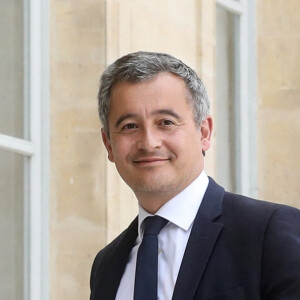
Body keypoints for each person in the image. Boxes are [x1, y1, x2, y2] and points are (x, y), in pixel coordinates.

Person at [90, 51, 300, 300]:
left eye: (166, 122)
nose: (149, 142)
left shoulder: (269, 233)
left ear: (204, 132)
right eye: (130, 127)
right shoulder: (107, 265)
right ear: (109, 145)